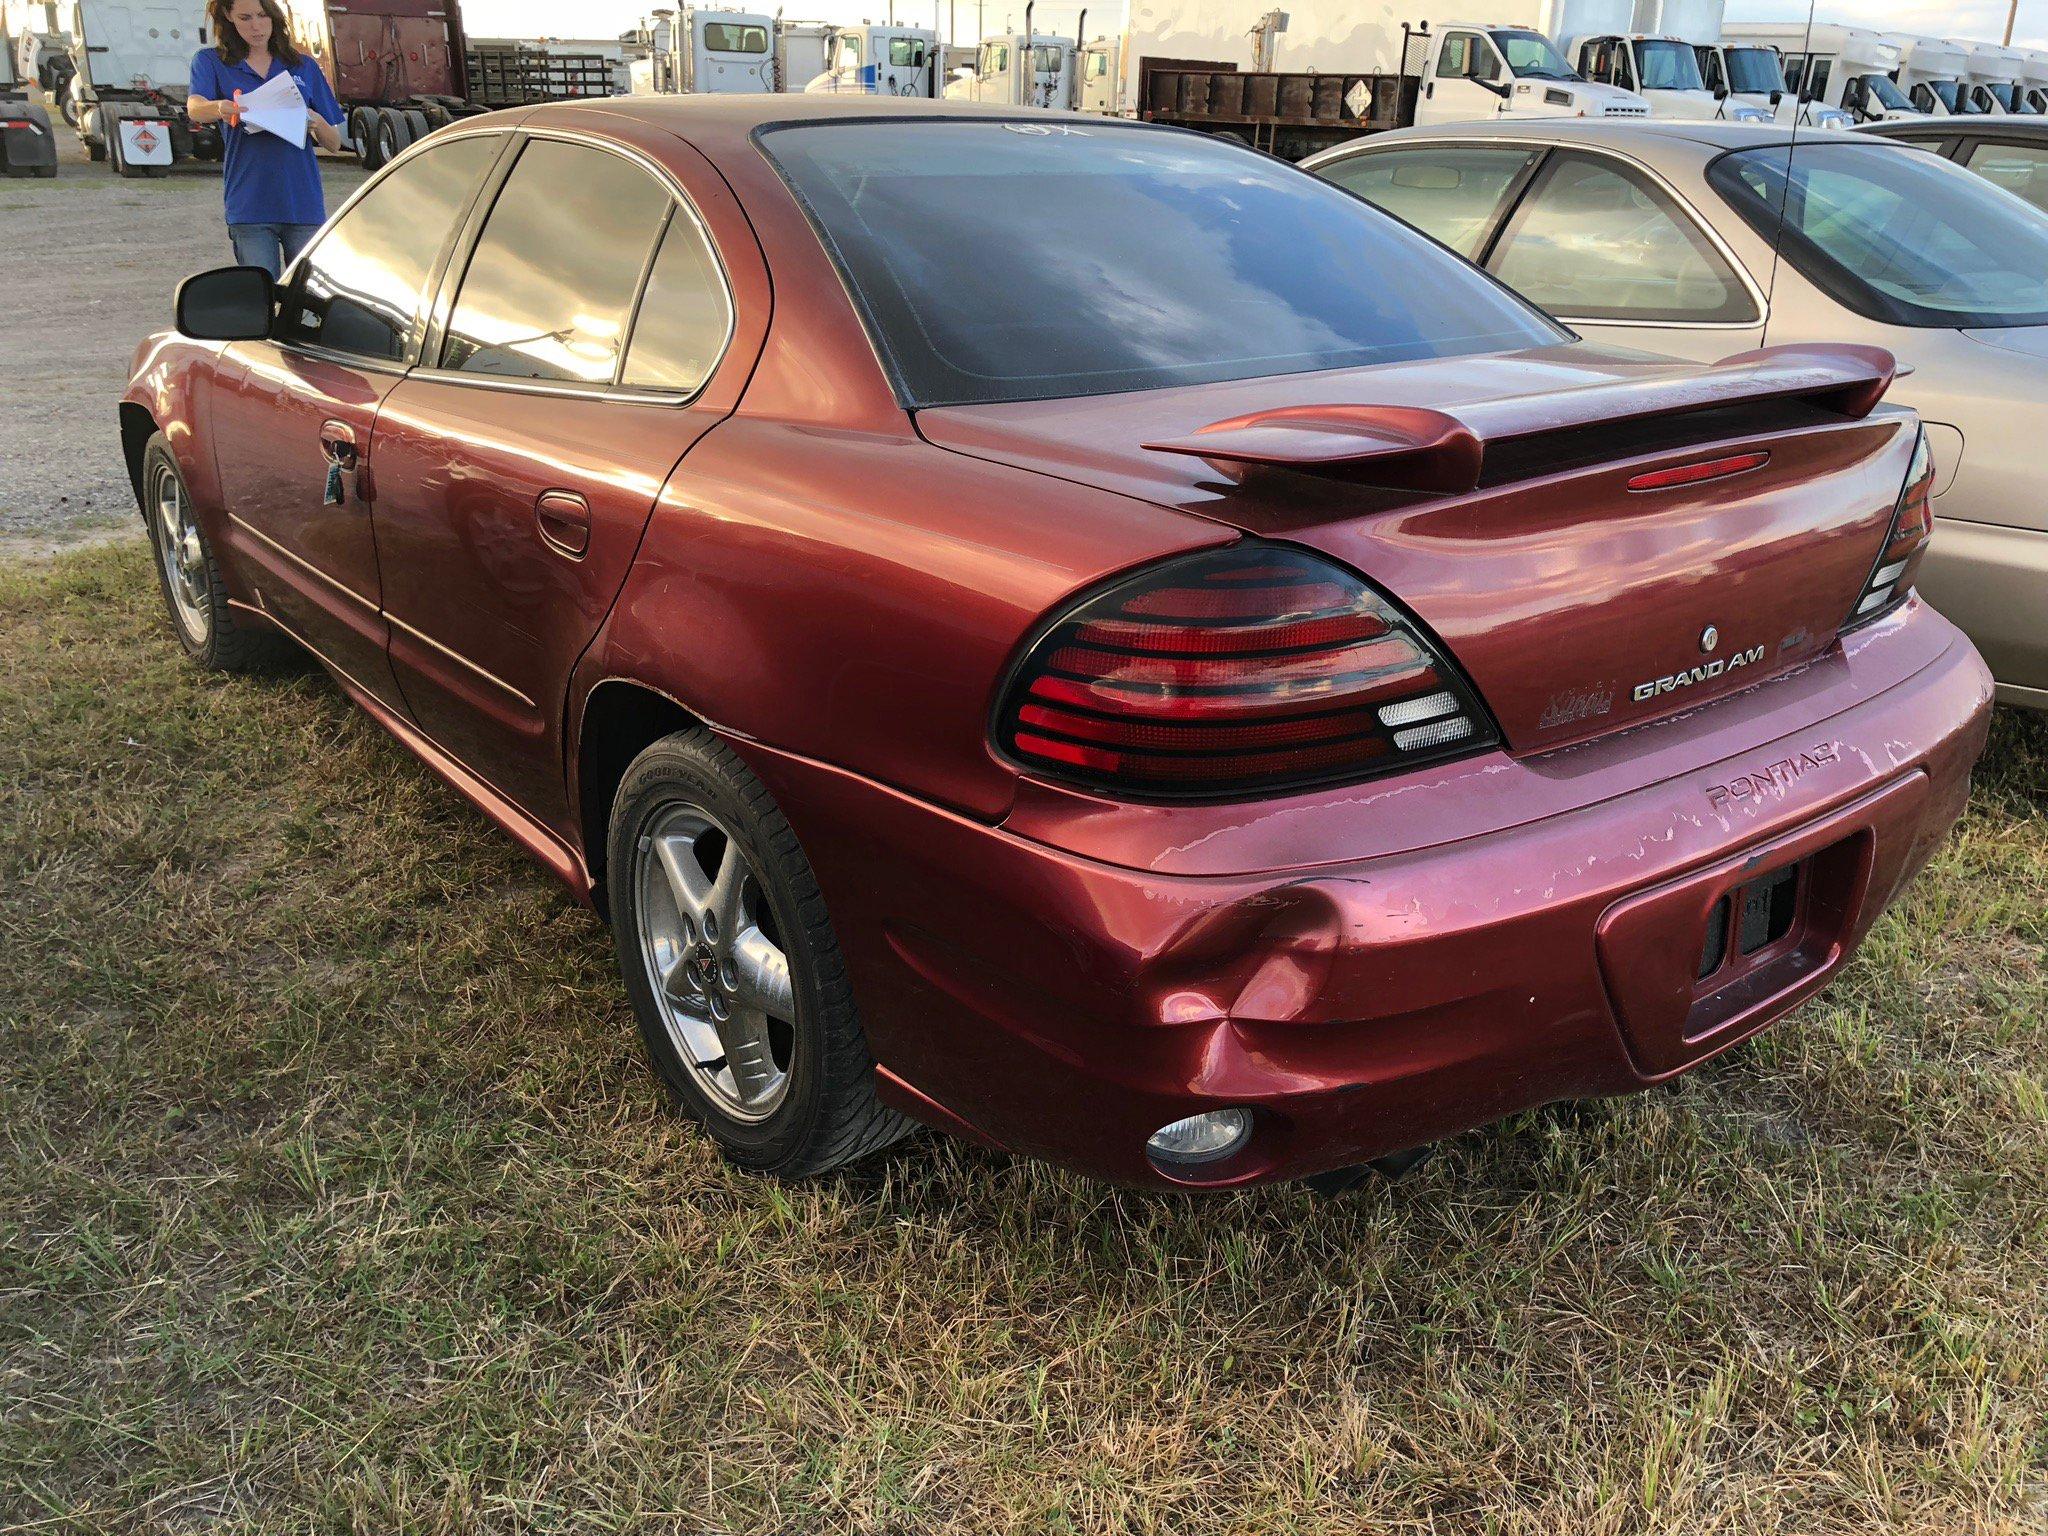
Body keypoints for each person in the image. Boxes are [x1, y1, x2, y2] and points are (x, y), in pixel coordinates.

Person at [186, 0, 345, 278]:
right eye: (245, 18)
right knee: (261, 294)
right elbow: (195, 108)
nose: (256, 26)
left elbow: (334, 143)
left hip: (303, 206)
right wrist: (220, 107)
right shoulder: (211, 61)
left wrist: (313, 119)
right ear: (228, 16)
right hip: (250, 206)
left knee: (309, 296)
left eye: (262, 16)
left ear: (274, 17)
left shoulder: (303, 66)